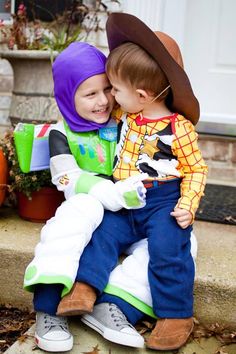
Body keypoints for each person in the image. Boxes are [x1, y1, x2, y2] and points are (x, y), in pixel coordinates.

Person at [62, 13, 208, 351]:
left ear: (142, 94)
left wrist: (187, 205)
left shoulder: (179, 129)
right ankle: (85, 288)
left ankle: (174, 314)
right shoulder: (126, 114)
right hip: (125, 196)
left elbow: (196, 170)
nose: (109, 96)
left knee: (169, 248)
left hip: (164, 200)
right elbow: (91, 105)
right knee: (102, 234)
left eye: (115, 89)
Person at [23, 41, 147, 352]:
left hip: (127, 213)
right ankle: (49, 307)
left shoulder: (124, 123)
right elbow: (66, 177)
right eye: (90, 94)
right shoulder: (61, 132)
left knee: (177, 239)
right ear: (67, 94)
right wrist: (104, 190)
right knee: (80, 208)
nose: (103, 101)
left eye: (108, 89)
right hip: (88, 209)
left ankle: (115, 305)